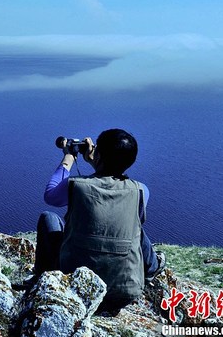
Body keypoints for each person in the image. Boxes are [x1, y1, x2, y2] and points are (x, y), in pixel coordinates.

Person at [15, 128, 165, 312]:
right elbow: (111, 181)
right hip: (123, 291)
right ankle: (153, 266)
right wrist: (99, 163)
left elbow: (51, 195)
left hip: (76, 283)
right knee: (134, 225)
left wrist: (68, 159)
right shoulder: (141, 191)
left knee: (49, 218)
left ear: (99, 154)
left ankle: (41, 278)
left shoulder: (76, 186)